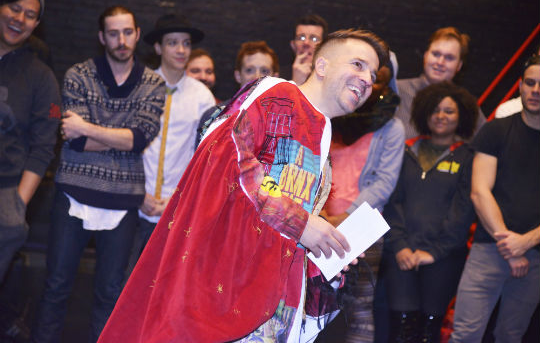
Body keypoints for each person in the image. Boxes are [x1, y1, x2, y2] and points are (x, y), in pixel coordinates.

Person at [98, 28, 389, 343]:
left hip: (268, 299)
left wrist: (326, 254)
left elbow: (285, 231)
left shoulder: (323, 136)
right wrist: (302, 224)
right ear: (321, 66)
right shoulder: (277, 92)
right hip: (223, 286)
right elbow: (228, 155)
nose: (366, 79)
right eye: (358, 65)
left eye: (373, 74)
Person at [31, 6, 165, 342]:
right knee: (56, 286)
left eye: (128, 32)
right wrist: (120, 136)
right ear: (102, 37)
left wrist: (90, 129)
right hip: (73, 193)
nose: (122, 41)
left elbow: (139, 140)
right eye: (114, 33)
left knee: (110, 294)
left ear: (136, 33)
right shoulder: (79, 74)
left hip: (122, 202)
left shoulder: (153, 83)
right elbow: (73, 142)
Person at [450, 55, 540, 343]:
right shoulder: (496, 130)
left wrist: (526, 243)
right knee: (465, 335)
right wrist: (511, 247)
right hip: (490, 249)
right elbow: (479, 191)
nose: (536, 89)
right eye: (530, 82)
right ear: (520, 86)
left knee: (511, 336)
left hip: (536, 255)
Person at [382, 81, 478, 342]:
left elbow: (464, 210)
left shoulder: (469, 157)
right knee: (400, 329)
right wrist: (400, 246)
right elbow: (392, 201)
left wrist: (434, 252)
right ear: (425, 113)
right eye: (435, 110)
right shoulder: (405, 149)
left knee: (429, 330)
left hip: (443, 257)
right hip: (401, 253)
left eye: (449, 111)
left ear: (462, 117)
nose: (441, 116)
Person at [319, 64, 405, 343]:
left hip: (362, 227)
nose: (369, 81)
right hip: (316, 224)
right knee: (314, 306)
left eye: (377, 77)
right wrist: (320, 215)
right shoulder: (333, 113)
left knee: (358, 308)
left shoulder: (392, 125)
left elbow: (385, 182)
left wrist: (346, 216)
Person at [130, 14, 215, 266]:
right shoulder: (139, 86)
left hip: (177, 209)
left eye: (186, 43)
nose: (181, 50)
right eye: (172, 43)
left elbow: (204, 158)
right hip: (135, 205)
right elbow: (127, 148)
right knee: (120, 285)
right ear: (158, 47)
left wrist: (178, 198)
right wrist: (136, 193)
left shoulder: (202, 97)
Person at [0, 0, 60, 283]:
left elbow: (43, 147)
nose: (20, 19)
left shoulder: (41, 77)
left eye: (30, 15)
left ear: (36, 24)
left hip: (5, 191)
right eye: (14, 8)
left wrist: (16, 205)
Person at [395, 26, 484, 140]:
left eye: (449, 58)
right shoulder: (397, 91)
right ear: (425, 55)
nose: (440, 62)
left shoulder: (467, 106)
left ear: (459, 66)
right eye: (436, 54)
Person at [195, 40, 280, 146]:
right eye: (249, 70)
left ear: (275, 78)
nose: (257, 77)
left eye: (264, 71)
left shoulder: (283, 119)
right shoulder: (214, 116)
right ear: (238, 76)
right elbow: (201, 161)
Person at [287, 13, 328, 85]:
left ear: (324, 47)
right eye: (301, 37)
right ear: (293, 45)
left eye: (314, 38)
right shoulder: (278, 80)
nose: (306, 43)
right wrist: (296, 82)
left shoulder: (331, 78)